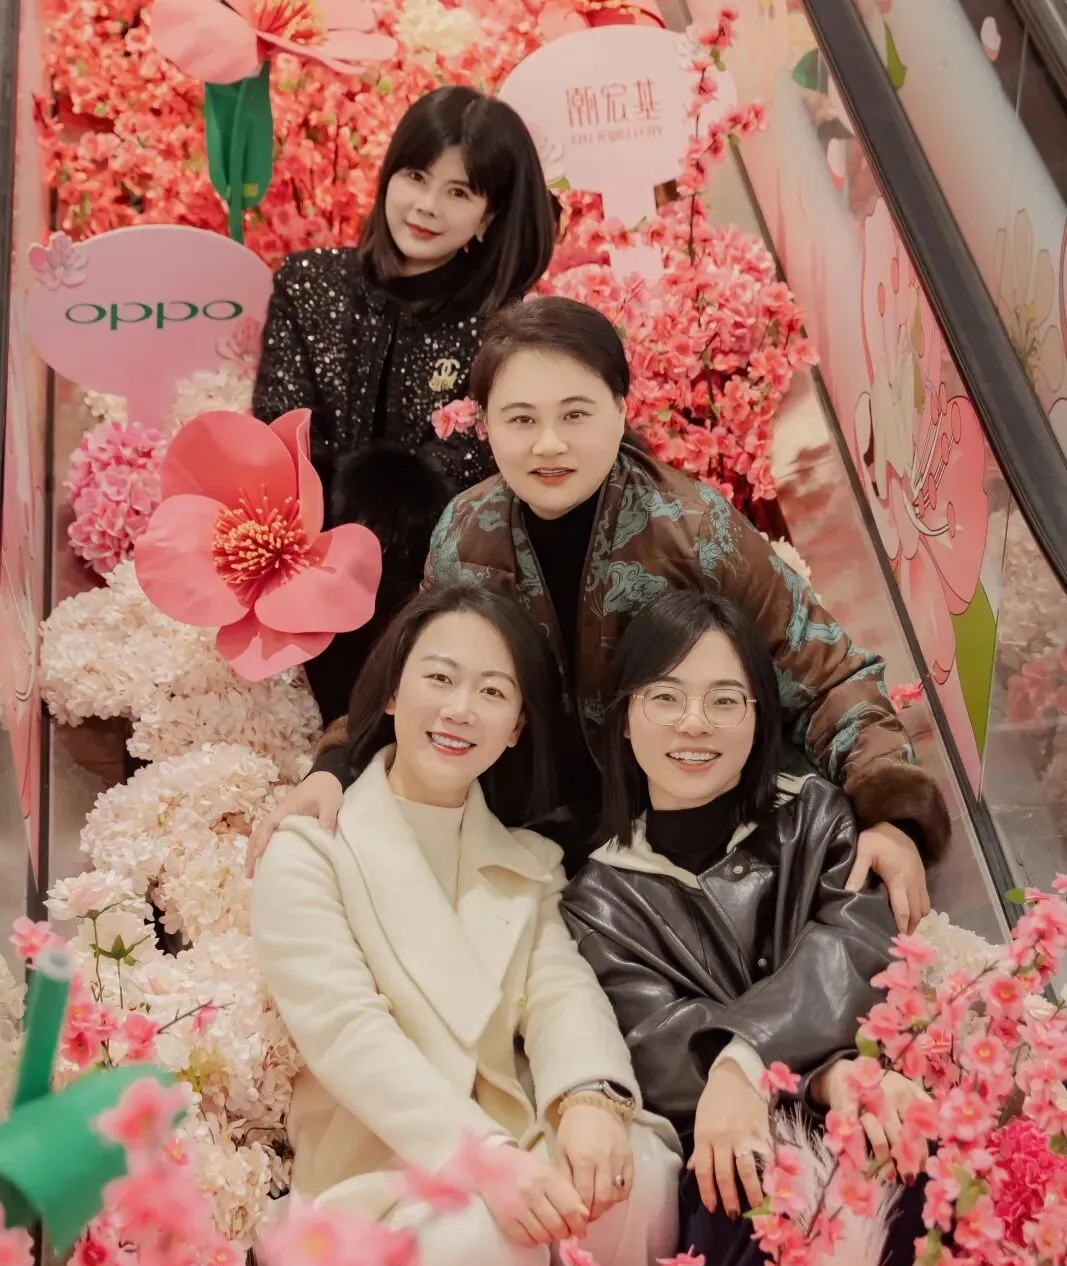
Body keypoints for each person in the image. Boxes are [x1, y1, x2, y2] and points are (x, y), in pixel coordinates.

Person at [248, 295, 948, 933]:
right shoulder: (465, 532)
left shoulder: (695, 528)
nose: (548, 444)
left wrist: (892, 815)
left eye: (576, 414)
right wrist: (333, 769)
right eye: (521, 419)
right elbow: (419, 677)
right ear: (485, 425)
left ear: (619, 409)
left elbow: (826, 677)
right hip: (525, 829)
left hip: (687, 837)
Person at [250, 584, 681, 1266]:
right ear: (392, 693)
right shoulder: (311, 851)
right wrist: (483, 1161)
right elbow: (349, 1033)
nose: (459, 710)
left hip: (516, 1141)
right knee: (476, 1237)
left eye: (492, 692)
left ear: (517, 728)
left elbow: (560, 991)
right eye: (439, 679)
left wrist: (588, 1100)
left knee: (632, 1170)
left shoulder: (527, 860)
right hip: (382, 1172)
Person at [559, 590, 930, 1266]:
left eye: (725, 701)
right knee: (739, 1217)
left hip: (867, 1101)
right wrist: (819, 1077)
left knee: (918, 1161)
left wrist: (745, 1060)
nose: (694, 723)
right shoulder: (595, 900)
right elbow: (658, 1048)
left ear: (760, 718)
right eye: (665, 697)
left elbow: (854, 946)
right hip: (730, 1148)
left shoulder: (816, 817)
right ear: (625, 718)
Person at [252, 87, 557, 723]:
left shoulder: (502, 331)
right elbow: (278, 438)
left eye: (459, 192)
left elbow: (465, 487)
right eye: (416, 176)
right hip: (296, 576)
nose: (427, 206)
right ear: (389, 174)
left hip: (434, 604)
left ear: (489, 217)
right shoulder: (308, 283)